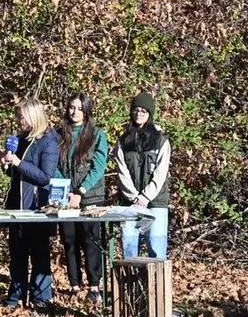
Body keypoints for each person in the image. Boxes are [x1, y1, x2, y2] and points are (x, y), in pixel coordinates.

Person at [1, 98, 60, 309]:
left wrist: (18, 163)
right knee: (17, 253)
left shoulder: (49, 142)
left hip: (37, 207)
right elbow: (16, 173)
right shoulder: (20, 139)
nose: (18, 120)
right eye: (17, 116)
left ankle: (41, 297)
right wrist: (7, 164)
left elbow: (45, 176)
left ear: (33, 117)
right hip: (17, 205)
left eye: (21, 117)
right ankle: (15, 296)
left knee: (39, 254)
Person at [56, 92, 108, 304]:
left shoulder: (97, 134)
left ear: (86, 110)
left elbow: (98, 167)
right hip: (66, 198)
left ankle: (94, 286)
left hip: (90, 197)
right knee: (69, 241)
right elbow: (56, 166)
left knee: (91, 241)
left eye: (79, 108)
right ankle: (75, 285)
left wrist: (81, 191)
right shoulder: (59, 134)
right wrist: (66, 190)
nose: (74, 112)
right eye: (71, 107)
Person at [114, 91, 171, 258]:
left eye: (143, 111)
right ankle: (131, 284)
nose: (139, 114)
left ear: (150, 114)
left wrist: (145, 198)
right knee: (129, 247)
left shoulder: (161, 140)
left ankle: (157, 284)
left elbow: (161, 173)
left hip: (156, 202)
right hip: (130, 203)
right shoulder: (123, 140)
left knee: (156, 246)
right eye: (136, 110)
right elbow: (122, 171)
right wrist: (134, 198)